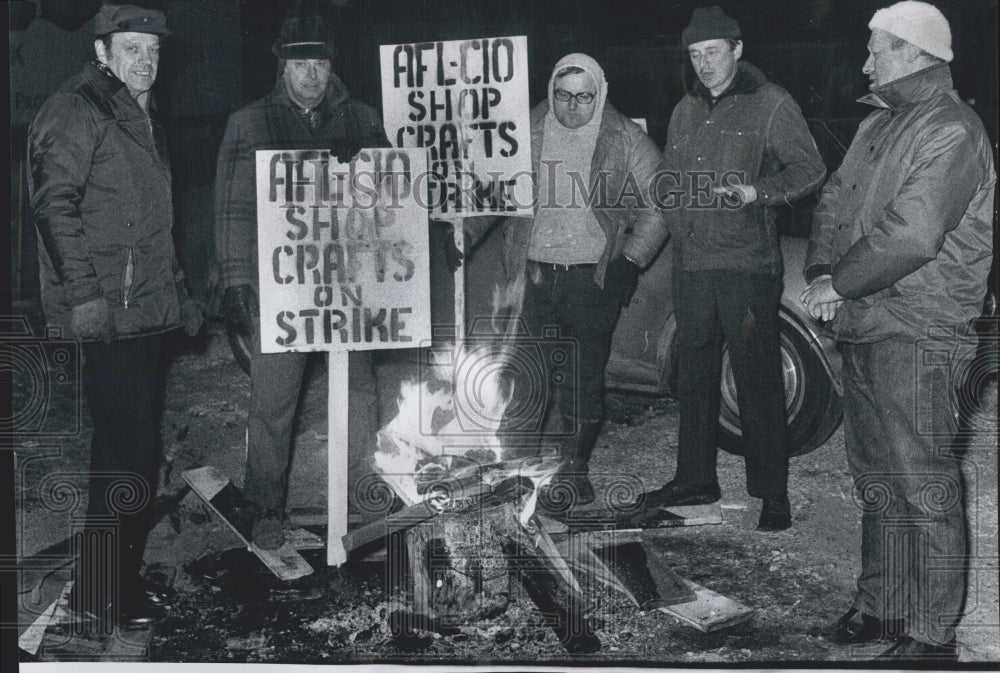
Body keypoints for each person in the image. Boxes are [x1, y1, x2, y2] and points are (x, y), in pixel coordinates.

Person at [801, 1, 994, 660]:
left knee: (922, 482)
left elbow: (912, 232)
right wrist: (824, 268)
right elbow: (834, 201)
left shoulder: (952, 129)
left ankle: (931, 633)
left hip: (921, 327)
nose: (864, 61)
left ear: (913, 53)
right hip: (868, 321)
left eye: (876, 49)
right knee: (876, 476)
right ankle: (881, 604)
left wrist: (840, 281)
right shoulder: (879, 123)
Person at [28, 3, 202, 627]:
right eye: (132, 49)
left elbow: (152, 221)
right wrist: (85, 296)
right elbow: (54, 207)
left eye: (153, 50)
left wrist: (179, 296)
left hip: (143, 314)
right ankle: (105, 592)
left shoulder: (135, 111)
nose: (145, 61)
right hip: (107, 315)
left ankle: (111, 581)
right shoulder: (76, 108)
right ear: (102, 51)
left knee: (132, 451)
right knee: (127, 454)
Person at [642, 6, 826, 531]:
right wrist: (675, 217)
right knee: (693, 375)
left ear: (737, 49)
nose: (703, 64)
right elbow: (669, 176)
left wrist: (758, 192)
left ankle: (772, 493)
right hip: (693, 265)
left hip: (747, 266)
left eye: (713, 52)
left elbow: (810, 169)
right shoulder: (683, 110)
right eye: (695, 55)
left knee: (757, 377)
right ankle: (695, 477)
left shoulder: (770, 103)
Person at [215, 14, 390, 549]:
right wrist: (237, 284)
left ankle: (365, 502)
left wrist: (364, 161)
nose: (311, 75)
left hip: (350, 290)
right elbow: (232, 213)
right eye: (300, 64)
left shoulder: (360, 118)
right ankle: (266, 507)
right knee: (272, 402)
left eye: (319, 63)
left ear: (331, 66)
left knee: (361, 395)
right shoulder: (249, 123)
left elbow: (392, 202)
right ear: (281, 65)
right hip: (283, 290)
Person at [499, 53, 667, 506]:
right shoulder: (523, 131)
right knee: (526, 378)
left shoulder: (624, 138)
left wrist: (630, 262)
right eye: (562, 94)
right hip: (532, 277)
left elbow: (660, 204)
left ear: (601, 93)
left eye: (583, 96)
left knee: (581, 378)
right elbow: (489, 189)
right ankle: (519, 471)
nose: (572, 106)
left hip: (590, 280)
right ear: (551, 91)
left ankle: (573, 469)